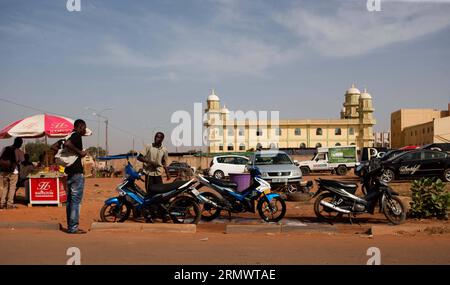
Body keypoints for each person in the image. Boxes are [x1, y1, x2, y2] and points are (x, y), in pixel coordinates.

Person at [64, 119, 88, 234]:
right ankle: (73, 227)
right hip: (77, 173)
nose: (84, 130)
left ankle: (70, 226)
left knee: (70, 201)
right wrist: (81, 152)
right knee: (75, 201)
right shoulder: (76, 136)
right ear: (80, 127)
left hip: (69, 172)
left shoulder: (69, 135)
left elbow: (58, 145)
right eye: (84, 128)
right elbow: (67, 144)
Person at [0, 137, 24, 209]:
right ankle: (9, 204)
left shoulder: (5, 148)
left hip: (3, 170)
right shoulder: (19, 151)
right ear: (20, 143)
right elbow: (22, 160)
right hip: (14, 171)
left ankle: (2, 203)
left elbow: (1, 157)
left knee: (5, 187)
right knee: (12, 187)